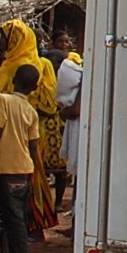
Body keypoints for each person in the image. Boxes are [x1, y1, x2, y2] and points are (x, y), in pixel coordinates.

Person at [0, 20, 61, 236]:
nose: (2, 42)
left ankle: (23, 230)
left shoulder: (11, 68)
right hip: (35, 130)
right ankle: (36, 226)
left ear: (15, 38)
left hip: (14, 131)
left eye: (5, 37)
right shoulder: (43, 64)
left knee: (15, 179)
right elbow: (51, 103)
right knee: (33, 177)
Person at [0, 66, 43, 253]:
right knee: (17, 216)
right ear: (34, 87)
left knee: (13, 217)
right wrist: (34, 172)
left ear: (14, 79)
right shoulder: (31, 111)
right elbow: (34, 146)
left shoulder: (4, 101)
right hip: (24, 169)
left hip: (6, 168)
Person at [52, 29, 83, 210]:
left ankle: (77, 223)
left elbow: (76, 110)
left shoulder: (82, 81)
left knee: (81, 180)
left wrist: (63, 113)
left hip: (81, 134)